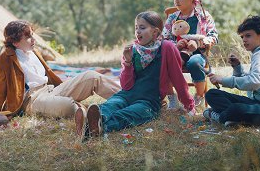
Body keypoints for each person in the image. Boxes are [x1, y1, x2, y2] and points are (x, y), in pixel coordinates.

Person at [74, 11, 195, 140]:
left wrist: (189, 104)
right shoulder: (133, 50)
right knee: (111, 105)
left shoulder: (167, 48)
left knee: (127, 114)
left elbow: (178, 78)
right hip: (126, 95)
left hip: (148, 101)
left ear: (155, 32)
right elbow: (126, 86)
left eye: (142, 28)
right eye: (136, 28)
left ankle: (93, 127)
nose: (138, 31)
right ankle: (92, 122)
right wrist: (127, 62)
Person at [0, 20, 121, 127]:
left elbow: (48, 75)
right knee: (68, 106)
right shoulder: (5, 60)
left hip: (50, 89)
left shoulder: (33, 51)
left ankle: (128, 98)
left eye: (32, 34)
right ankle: (96, 115)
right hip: (32, 100)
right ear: (15, 42)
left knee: (92, 76)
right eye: (28, 37)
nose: (33, 39)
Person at [204, 15, 260, 127]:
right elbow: (253, 82)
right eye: (242, 37)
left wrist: (223, 80)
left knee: (235, 109)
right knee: (212, 94)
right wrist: (237, 68)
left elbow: (255, 82)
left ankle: (220, 117)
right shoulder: (258, 54)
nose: (244, 40)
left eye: (248, 35)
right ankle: (234, 119)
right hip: (258, 104)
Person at [162, 0, 218, 109]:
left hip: (198, 53)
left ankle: (199, 95)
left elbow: (213, 35)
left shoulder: (203, 16)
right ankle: (172, 97)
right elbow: (164, 38)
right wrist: (175, 45)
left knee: (194, 63)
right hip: (178, 53)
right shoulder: (172, 18)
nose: (176, 1)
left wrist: (199, 43)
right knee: (166, 63)